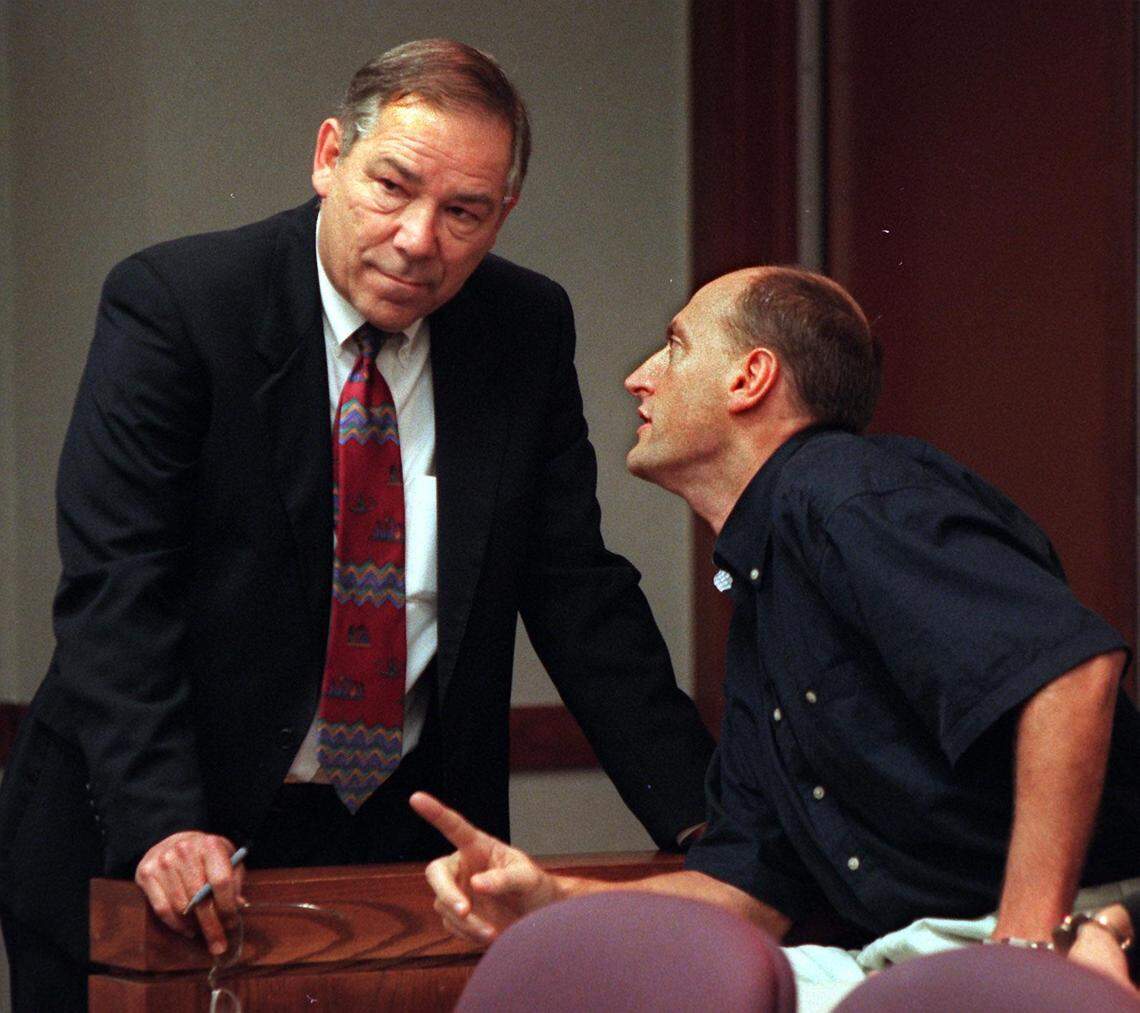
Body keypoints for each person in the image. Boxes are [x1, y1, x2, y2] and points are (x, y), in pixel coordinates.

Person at [0, 39, 713, 1010]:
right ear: (330, 155)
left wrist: (707, 821)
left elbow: (576, 588)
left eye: (463, 211)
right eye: (393, 186)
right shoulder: (181, 304)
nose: (421, 238)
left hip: (391, 842)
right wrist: (164, 822)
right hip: (152, 828)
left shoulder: (522, 326)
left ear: (501, 214)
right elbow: (121, 588)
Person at [412, 266, 1140, 1010]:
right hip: (900, 955)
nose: (638, 378)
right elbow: (743, 890)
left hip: (1069, 933)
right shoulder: (766, 580)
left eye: (674, 345)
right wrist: (552, 899)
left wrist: (1020, 955)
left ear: (750, 378)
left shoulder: (845, 493)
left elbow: (1071, 674)